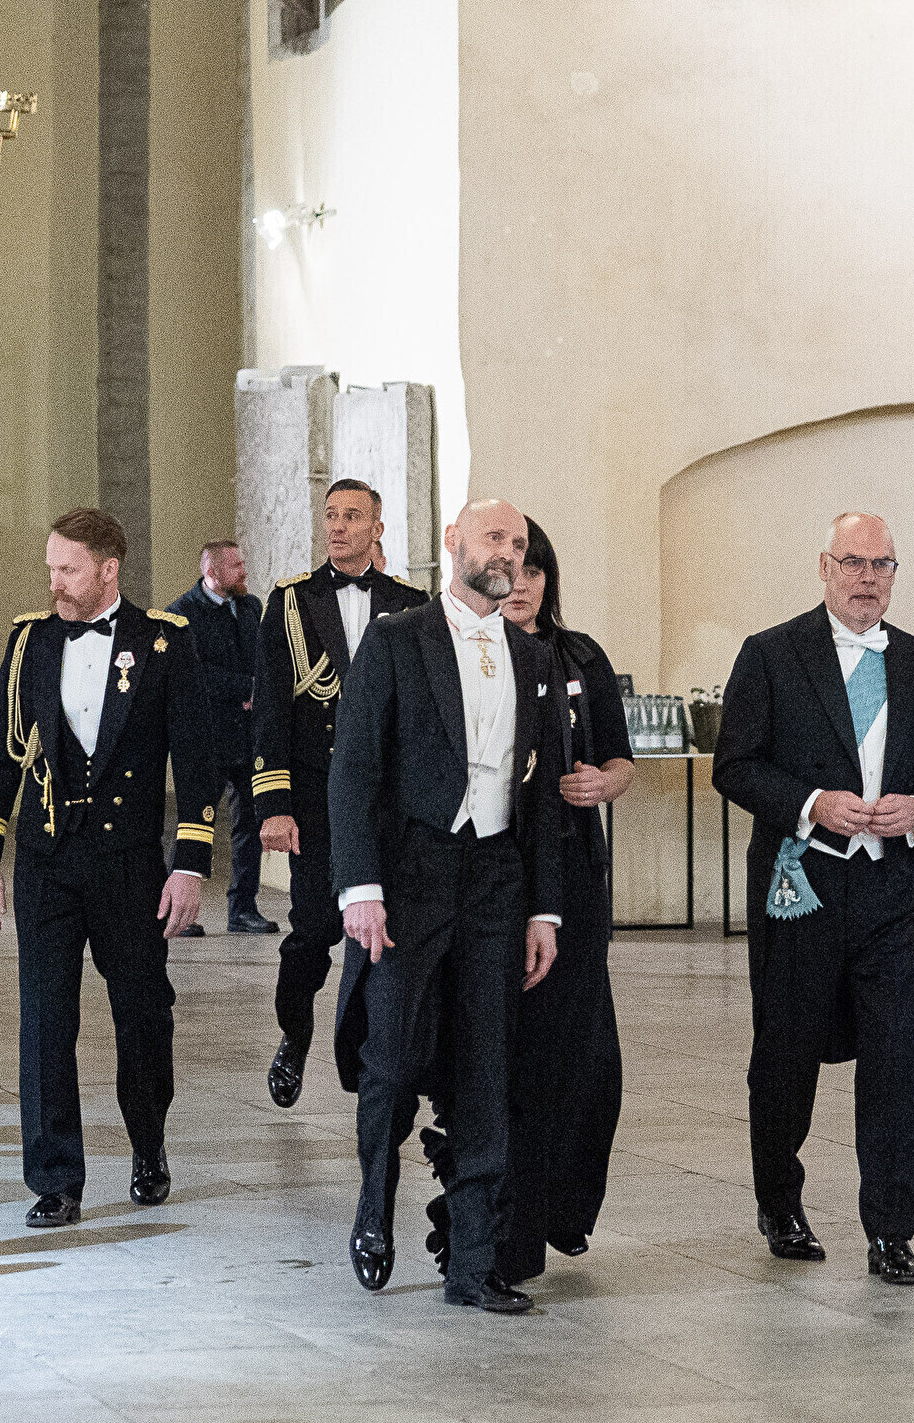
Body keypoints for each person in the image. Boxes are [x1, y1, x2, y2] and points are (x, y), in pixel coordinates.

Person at [714, 512, 914, 1285]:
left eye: (881, 565)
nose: (867, 578)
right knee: (786, 1054)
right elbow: (735, 765)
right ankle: (779, 1202)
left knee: (894, 1060)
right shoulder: (770, 654)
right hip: (799, 887)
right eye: (853, 563)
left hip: (891, 892)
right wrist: (811, 803)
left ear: (895, 574)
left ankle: (891, 1231)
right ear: (824, 567)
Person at [335, 498, 567, 1314]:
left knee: (484, 1068)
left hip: (497, 880)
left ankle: (472, 1262)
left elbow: (543, 798)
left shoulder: (532, 658)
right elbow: (354, 770)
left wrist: (544, 910)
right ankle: (373, 1205)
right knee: (393, 1062)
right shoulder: (397, 640)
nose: (507, 552)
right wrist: (360, 888)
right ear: (453, 542)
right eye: (494, 537)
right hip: (410, 877)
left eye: (519, 543)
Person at [0, 508, 224, 1228]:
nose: (54, 582)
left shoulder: (165, 641)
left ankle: (148, 1143)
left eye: (69, 570)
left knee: (142, 1014)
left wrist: (189, 866)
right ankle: (55, 1180)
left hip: (129, 864)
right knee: (45, 1021)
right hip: (46, 859)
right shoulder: (29, 640)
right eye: (51, 568)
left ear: (108, 570)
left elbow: (196, 761)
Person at [432, 514, 632, 1284]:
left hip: (571, 877)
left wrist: (603, 783)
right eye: (511, 564)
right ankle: (487, 1221)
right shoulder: (462, 652)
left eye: (535, 568)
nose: (520, 580)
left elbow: (619, 759)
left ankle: (557, 1208)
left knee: (578, 1057)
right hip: (487, 873)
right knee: (490, 1054)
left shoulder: (578, 657)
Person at [254, 480, 429, 1107]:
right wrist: (274, 805)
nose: (338, 526)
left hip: (389, 806)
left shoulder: (412, 605)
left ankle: (372, 1056)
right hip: (317, 801)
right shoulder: (291, 601)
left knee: (386, 936)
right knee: (314, 931)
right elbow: (270, 708)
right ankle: (294, 1036)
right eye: (330, 515)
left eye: (352, 516)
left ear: (377, 527)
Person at [173, 538, 274, 937]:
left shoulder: (251, 607)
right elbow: (193, 674)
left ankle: (243, 910)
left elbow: (262, 658)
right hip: (208, 736)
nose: (244, 571)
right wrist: (246, 688)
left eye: (243, 563)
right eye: (235, 566)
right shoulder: (182, 614)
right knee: (195, 823)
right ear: (211, 572)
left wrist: (259, 691)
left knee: (250, 824)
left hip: (247, 736)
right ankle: (176, 912)